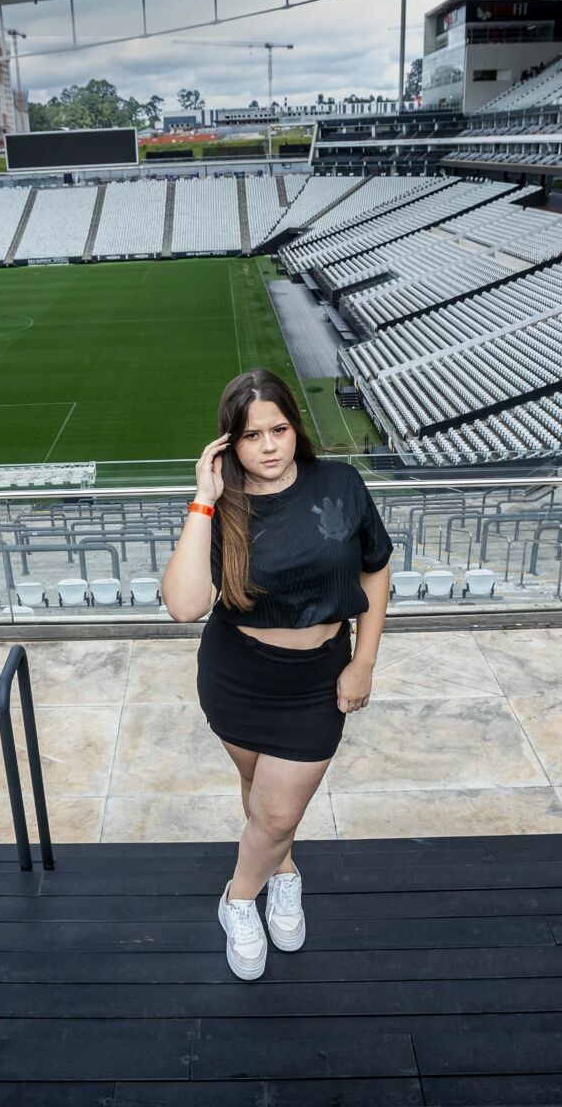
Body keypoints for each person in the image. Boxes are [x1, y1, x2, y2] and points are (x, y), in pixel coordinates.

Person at [162, 367, 395, 981]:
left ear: (296, 428)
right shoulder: (223, 506)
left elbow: (375, 570)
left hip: (317, 678)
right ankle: (282, 873)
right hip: (238, 675)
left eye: (278, 429)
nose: (267, 445)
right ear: (228, 444)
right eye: (250, 435)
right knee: (263, 797)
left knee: (276, 814)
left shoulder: (341, 484)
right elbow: (186, 605)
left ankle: (238, 899)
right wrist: (203, 500)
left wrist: (364, 660)